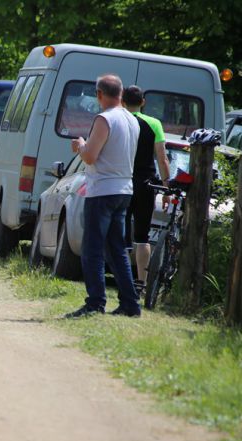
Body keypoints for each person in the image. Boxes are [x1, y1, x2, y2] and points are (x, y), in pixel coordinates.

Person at [68, 74, 141, 318]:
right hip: (124, 190)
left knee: (92, 249)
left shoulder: (103, 119)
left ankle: (95, 302)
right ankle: (130, 304)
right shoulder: (132, 120)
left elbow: (90, 157)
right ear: (120, 93)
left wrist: (80, 144)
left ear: (100, 94)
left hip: (102, 190)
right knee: (117, 249)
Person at [122, 85, 171, 291]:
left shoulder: (119, 121)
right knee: (143, 235)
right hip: (146, 184)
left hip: (122, 182)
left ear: (122, 102)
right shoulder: (154, 124)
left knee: (120, 232)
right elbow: (162, 158)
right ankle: (141, 282)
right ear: (143, 102)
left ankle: (123, 279)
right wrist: (166, 188)